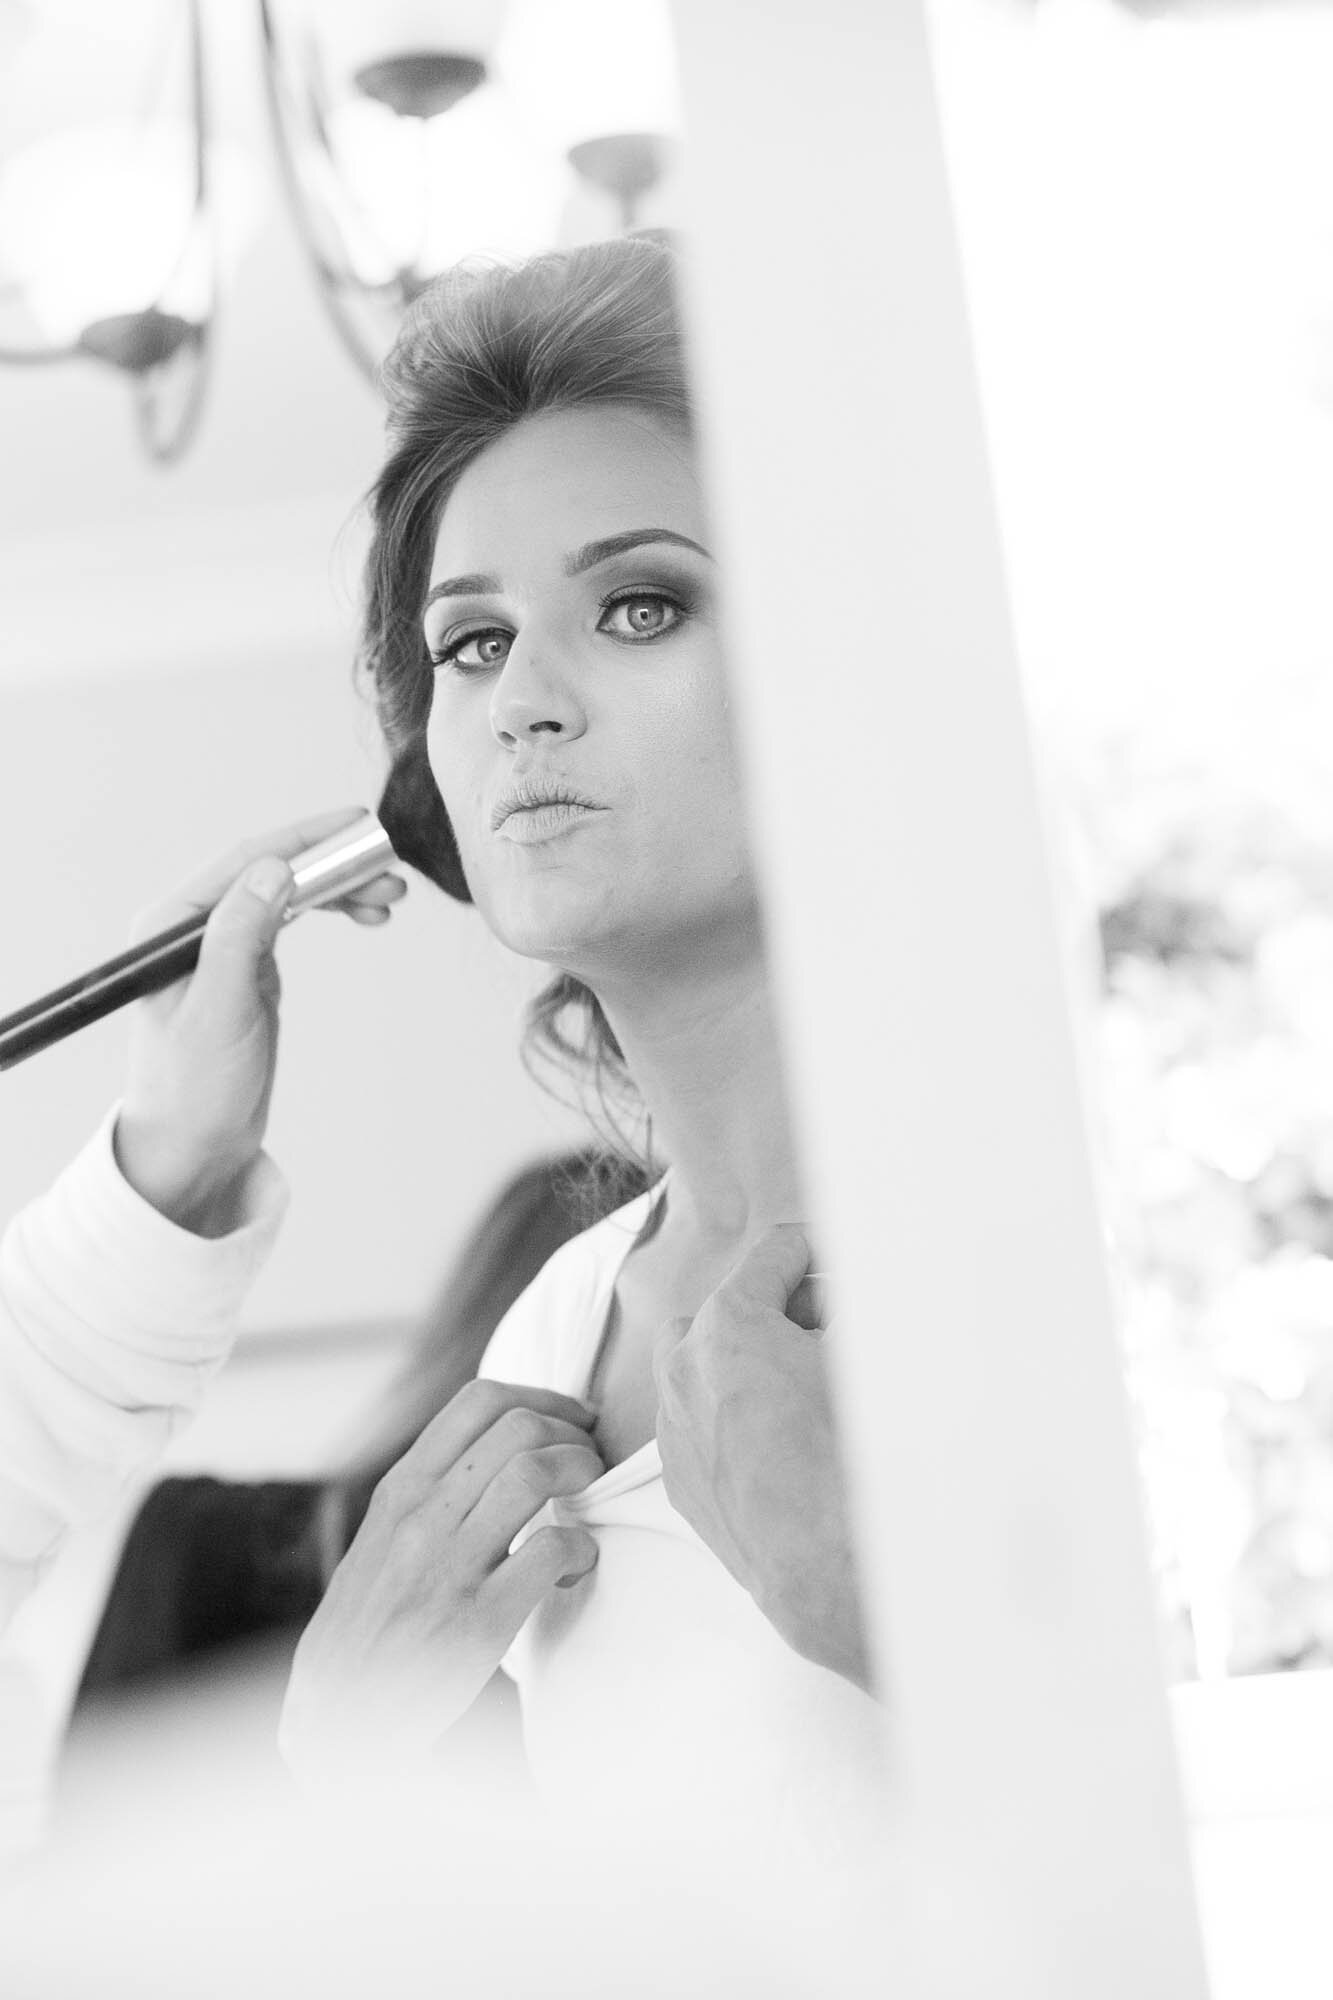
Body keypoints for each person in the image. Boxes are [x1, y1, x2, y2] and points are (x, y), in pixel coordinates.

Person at [270, 234, 884, 1857]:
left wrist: (870, 1613)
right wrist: (340, 1761)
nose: (521, 701)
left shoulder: (1040, 1229)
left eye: (637, 605)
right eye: (471, 644)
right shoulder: (555, 1325)